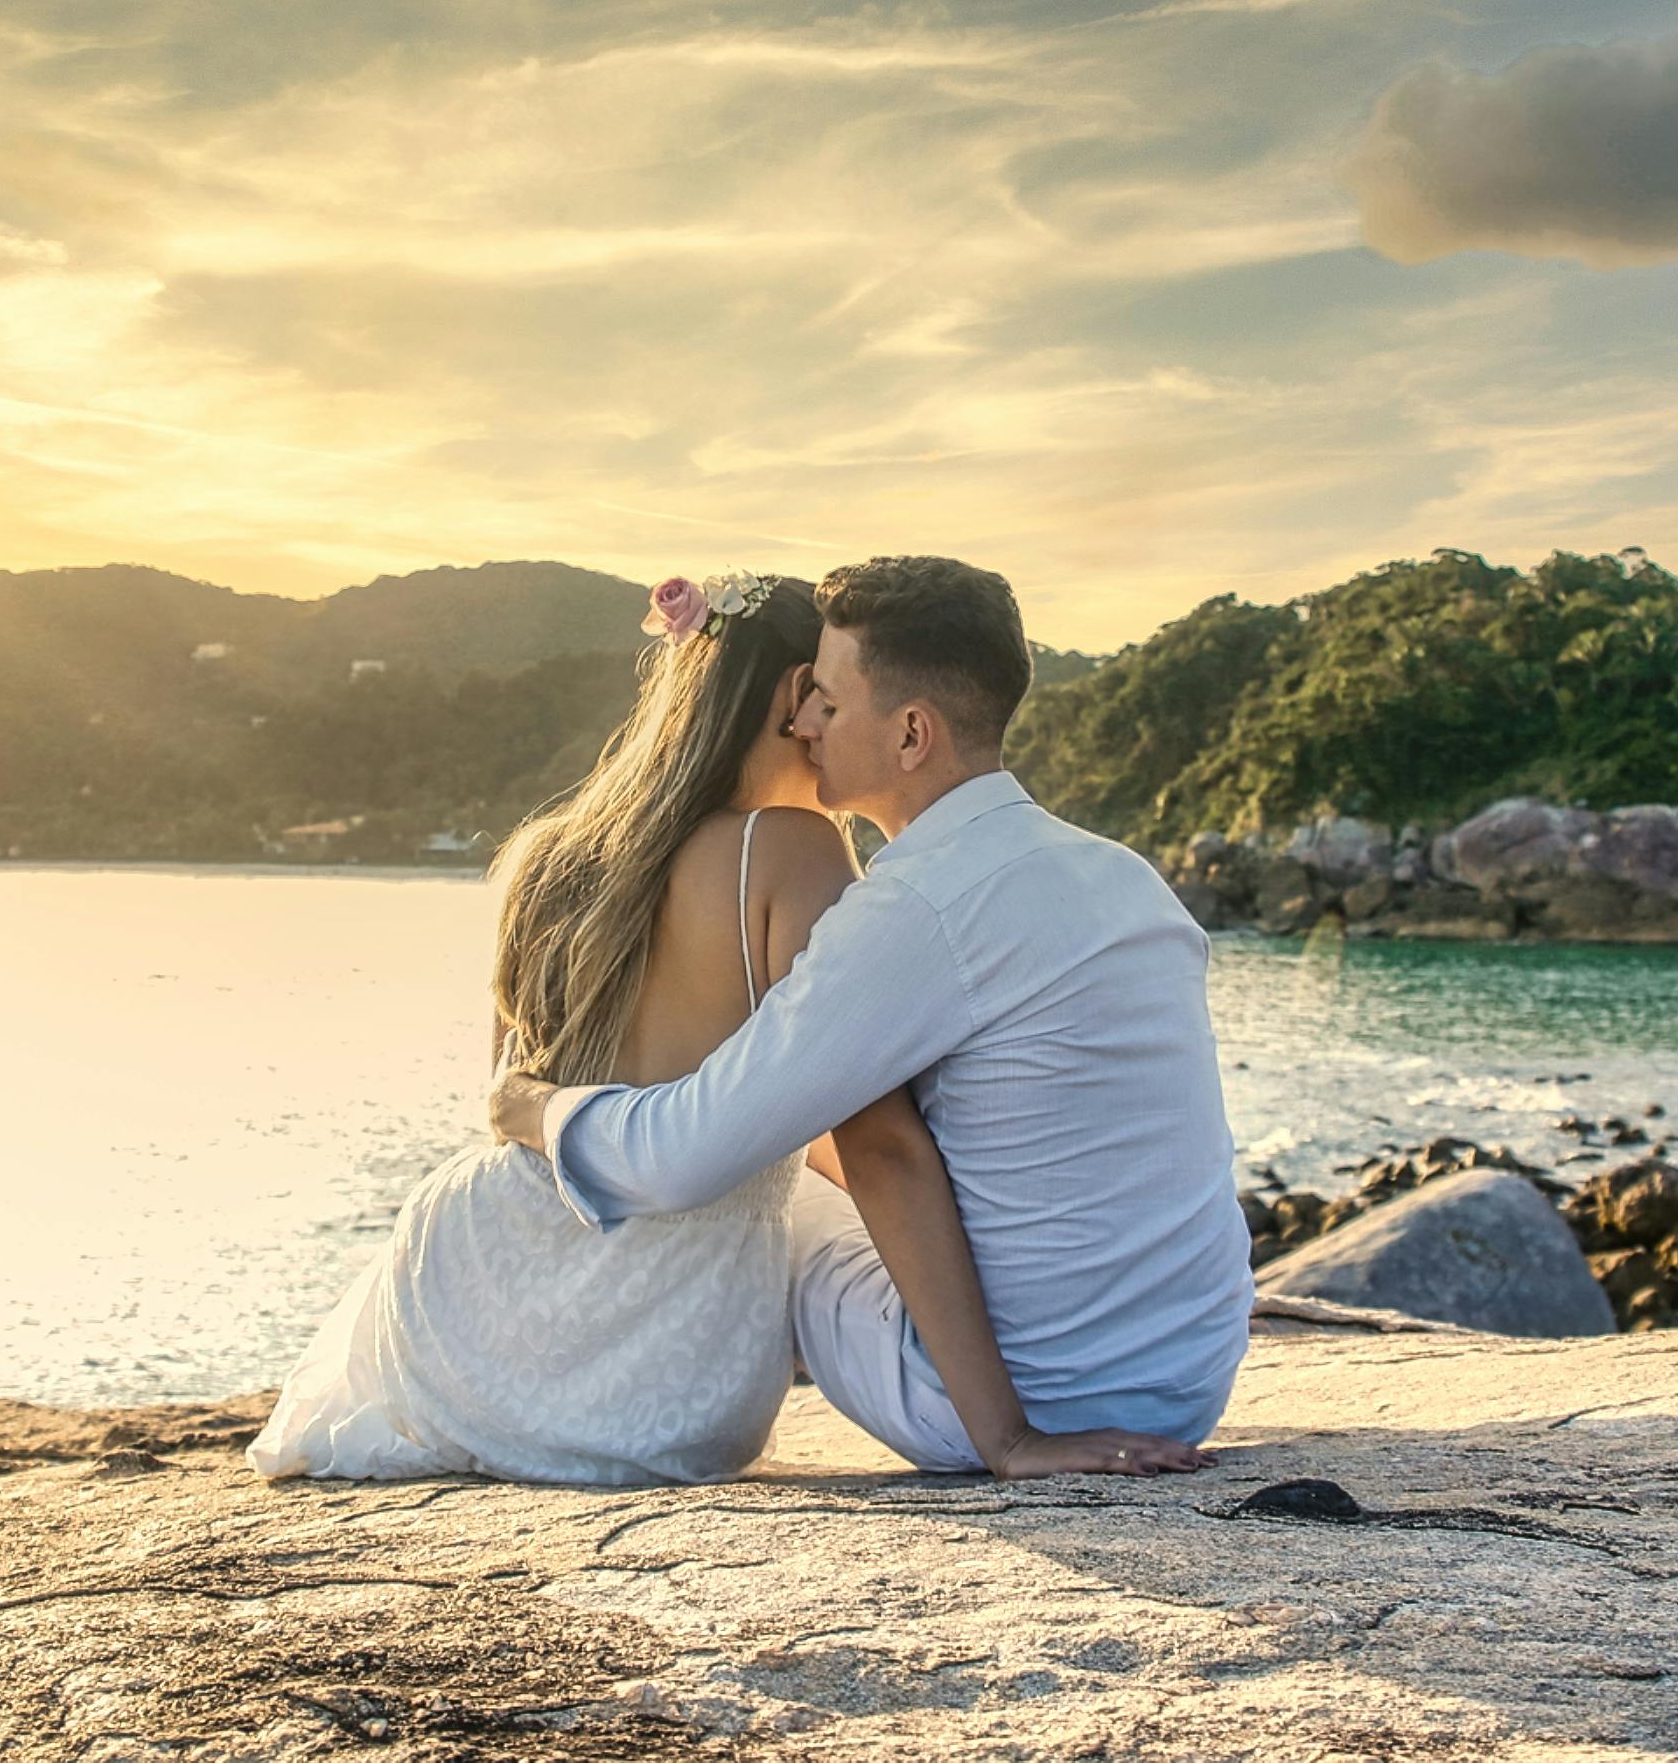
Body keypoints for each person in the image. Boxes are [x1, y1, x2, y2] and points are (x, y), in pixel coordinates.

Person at [250, 567, 1179, 1483]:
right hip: (662, 1368)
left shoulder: (539, 856)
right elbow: (873, 1142)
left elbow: (509, 1100)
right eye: (817, 694)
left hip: (460, 1310)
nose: (822, 722)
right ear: (787, 698)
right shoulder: (790, 853)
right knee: (821, 1192)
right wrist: (1006, 1435)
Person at [489, 555, 1250, 1476]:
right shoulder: (1126, 877)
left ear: (912, 733)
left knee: (764, 1178)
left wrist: (531, 1106)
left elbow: (681, 1158)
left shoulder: (913, 911)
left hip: (1015, 1402)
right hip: (1186, 1384)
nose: (805, 722)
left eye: (831, 703)